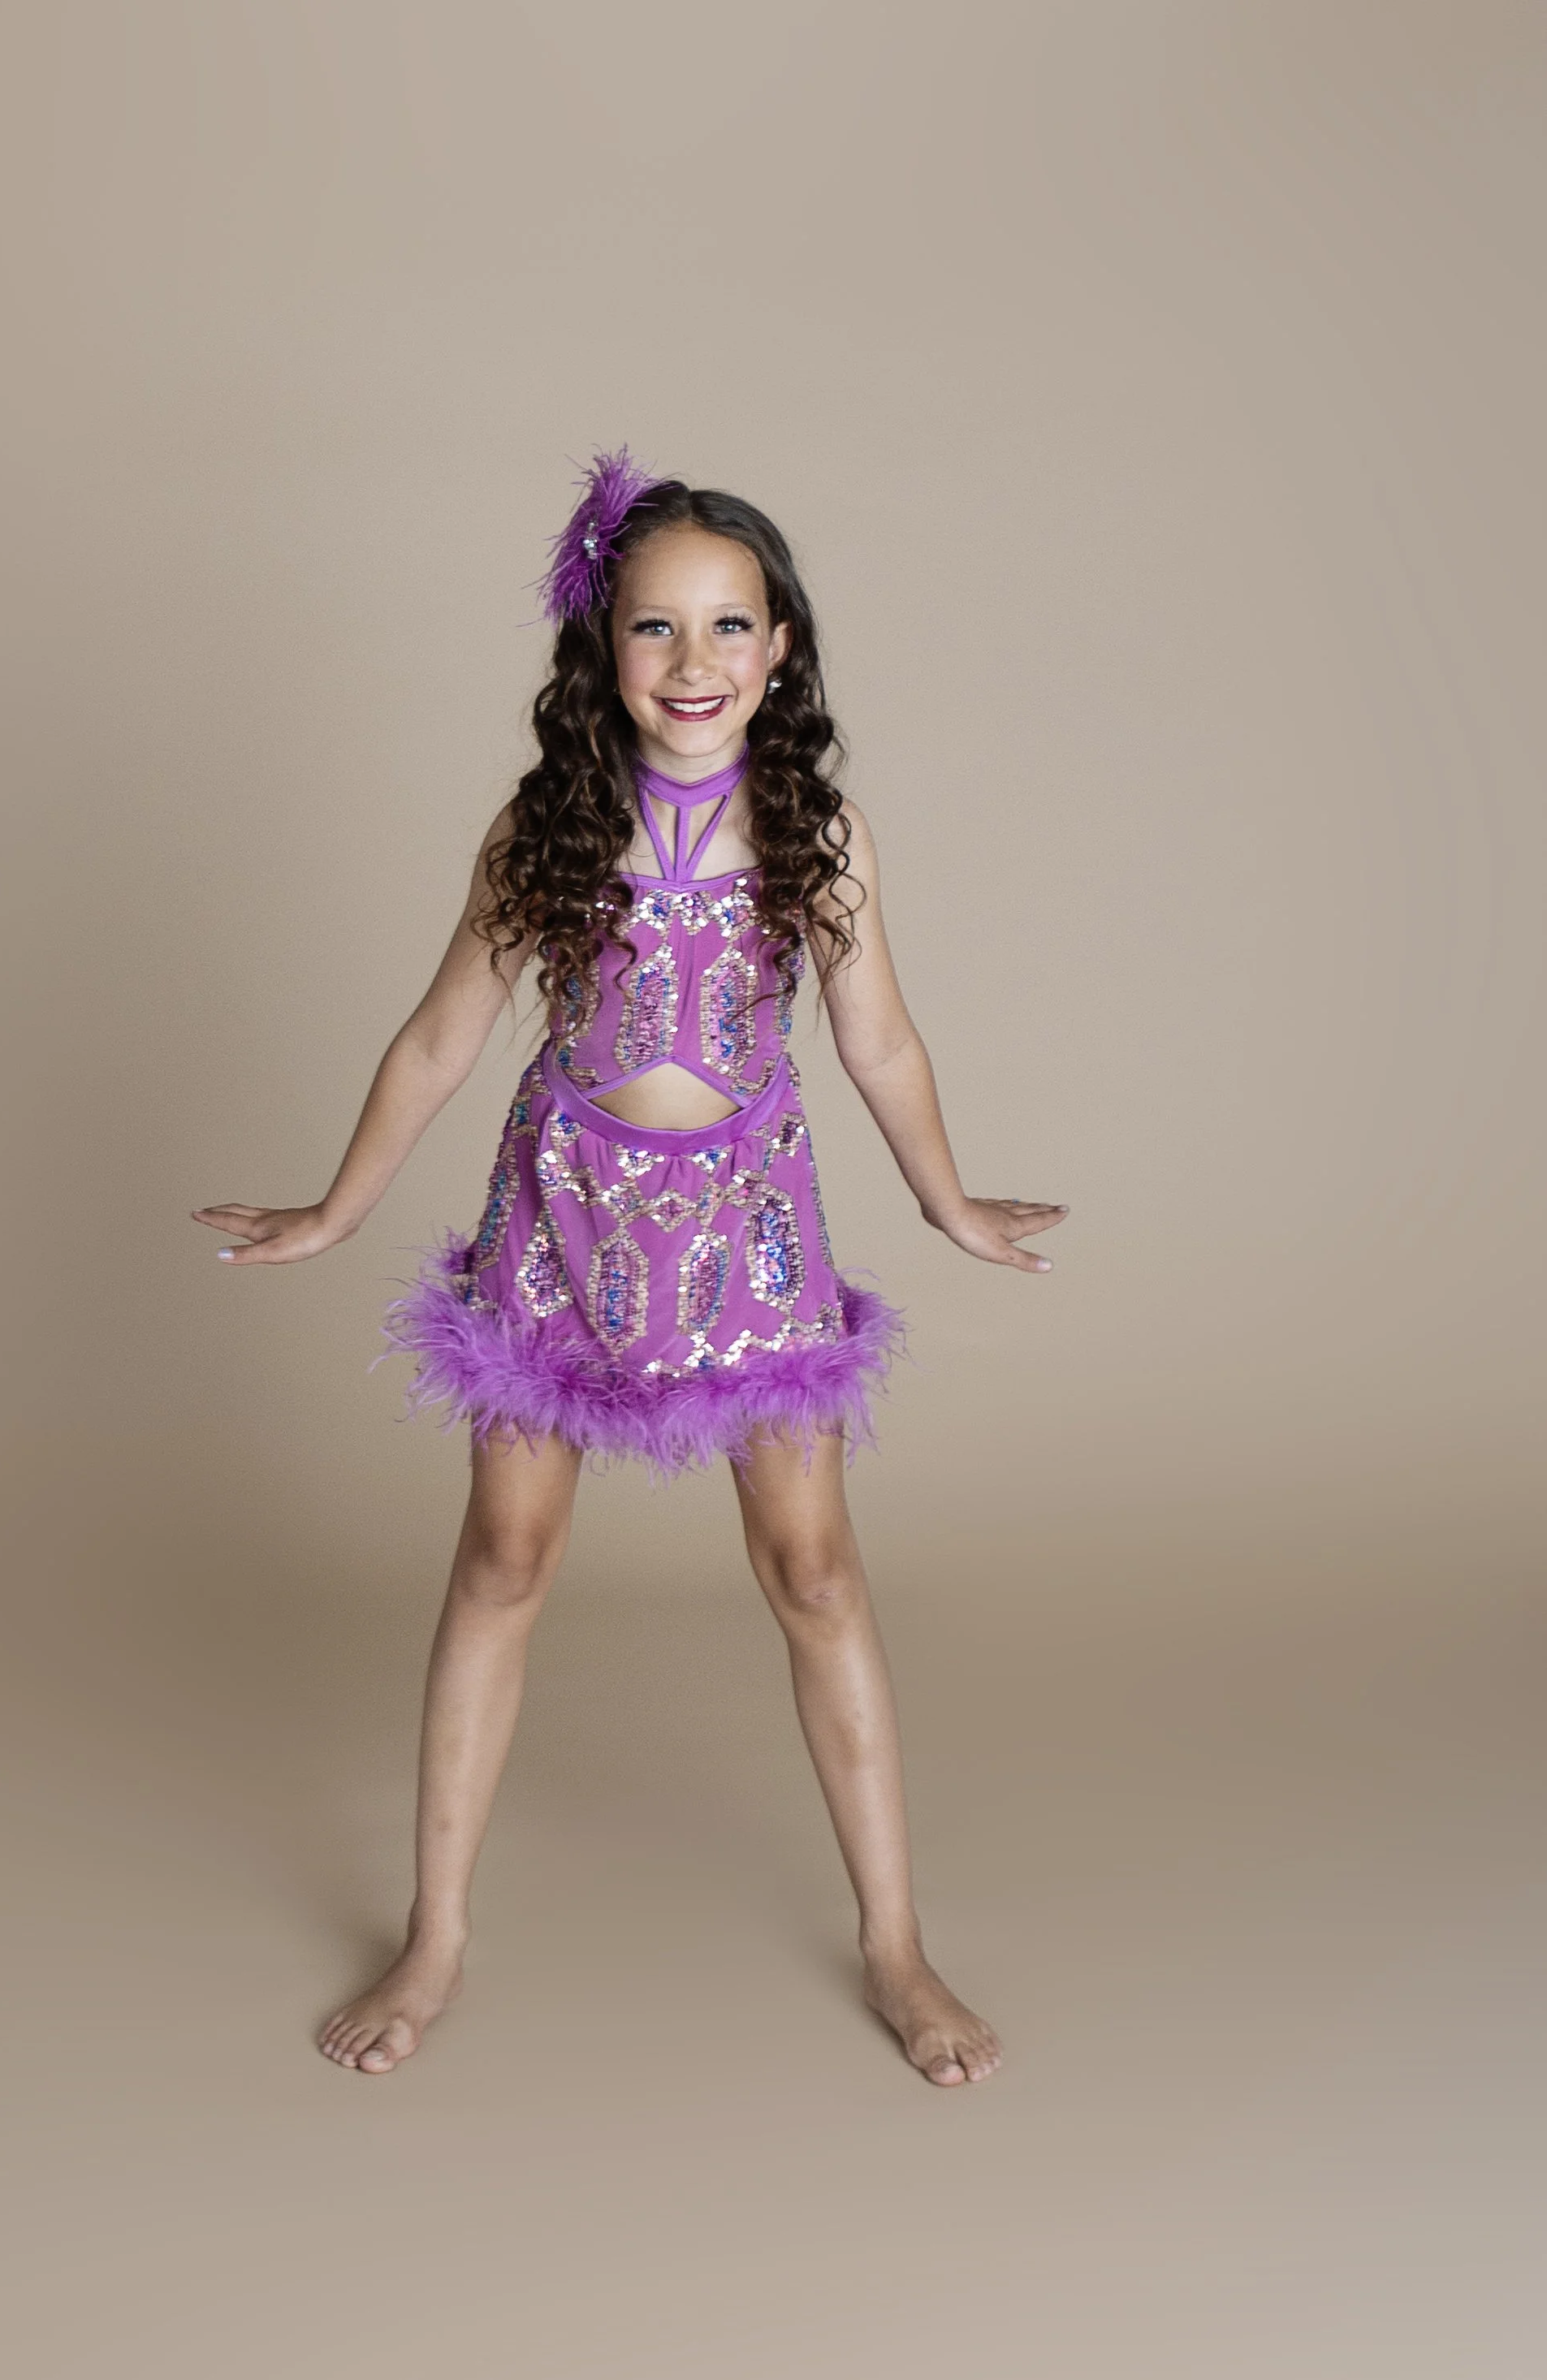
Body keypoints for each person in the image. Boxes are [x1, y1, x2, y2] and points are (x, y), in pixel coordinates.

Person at [192, 451, 1069, 2088]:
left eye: (729, 624)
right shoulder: (546, 826)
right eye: (654, 625)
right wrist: (334, 1207)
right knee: (502, 1558)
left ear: (781, 648)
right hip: (563, 1214)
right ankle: (435, 1934)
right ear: (603, 647)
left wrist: (946, 1200)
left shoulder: (818, 833)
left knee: (814, 1570)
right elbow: (444, 1033)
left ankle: (894, 1942)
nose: (692, 661)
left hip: (746, 1222)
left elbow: (876, 1039)